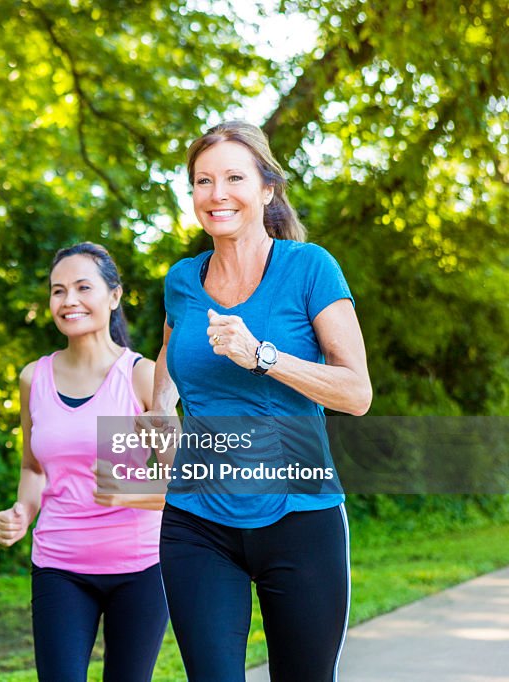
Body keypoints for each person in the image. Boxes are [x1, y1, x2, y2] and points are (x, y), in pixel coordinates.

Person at [146, 121, 372, 681]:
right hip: (197, 520)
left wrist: (262, 356)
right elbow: (169, 365)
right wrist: (159, 424)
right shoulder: (181, 280)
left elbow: (356, 392)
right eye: (203, 180)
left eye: (233, 177)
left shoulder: (309, 267)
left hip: (301, 515)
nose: (217, 193)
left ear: (267, 189)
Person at [0, 242, 171, 682]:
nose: (68, 300)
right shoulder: (34, 377)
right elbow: (33, 469)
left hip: (141, 569)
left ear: (113, 296)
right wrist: (22, 511)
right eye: (58, 290)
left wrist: (130, 487)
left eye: (82, 287)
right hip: (60, 566)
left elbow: (187, 481)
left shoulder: (140, 375)